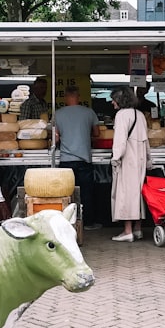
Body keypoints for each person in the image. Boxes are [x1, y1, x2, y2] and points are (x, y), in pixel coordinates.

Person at [54, 86, 102, 230]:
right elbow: (97, 133)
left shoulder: (58, 114)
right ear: (78, 97)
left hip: (66, 160)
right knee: (86, 192)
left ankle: (67, 223)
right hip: (84, 159)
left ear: (65, 98)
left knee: (66, 193)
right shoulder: (89, 112)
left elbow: (55, 138)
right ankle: (88, 223)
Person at [109, 86, 152, 242]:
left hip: (128, 159)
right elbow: (146, 140)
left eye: (114, 99)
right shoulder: (139, 114)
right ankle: (138, 229)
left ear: (120, 100)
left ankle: (127, 231)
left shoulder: (121, 115)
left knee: (126, 194)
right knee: (138, 194)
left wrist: (115, 158)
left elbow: (119, 141)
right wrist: (149, 160)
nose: (112, 102)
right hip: (140, 158)